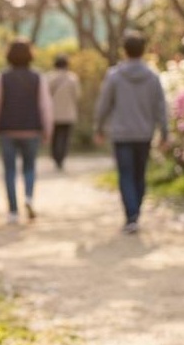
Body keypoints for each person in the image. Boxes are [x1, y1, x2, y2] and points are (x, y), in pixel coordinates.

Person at [93, 30, 169, 233]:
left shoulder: (114, 76)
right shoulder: (153, 76)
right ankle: (135, 213)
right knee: (139, 174)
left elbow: (103, 105)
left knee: (125, 174)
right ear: (143, 50)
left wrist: (99, 128)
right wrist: (165, 133)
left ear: (124, 51)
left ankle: (131, 216)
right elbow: (161, 107)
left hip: (121, 134)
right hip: (144, 133)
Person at [0, 38, 53, 224]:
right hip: (31, 130)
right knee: (29, 167)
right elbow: (45, 105)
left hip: (7, 130)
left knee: (10, 171)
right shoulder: (38, 77)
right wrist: (48, 129)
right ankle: (28, 197)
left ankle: (13, 211)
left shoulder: (2, 77)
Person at [44, 54, 81, 171]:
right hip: (68, 112)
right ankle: (61, 158)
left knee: (54, 137)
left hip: (52, 113)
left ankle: (55, 157)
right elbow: (77, 95)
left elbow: (44, 96)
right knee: (64, 137)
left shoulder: (49, 77)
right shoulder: (73, 78)